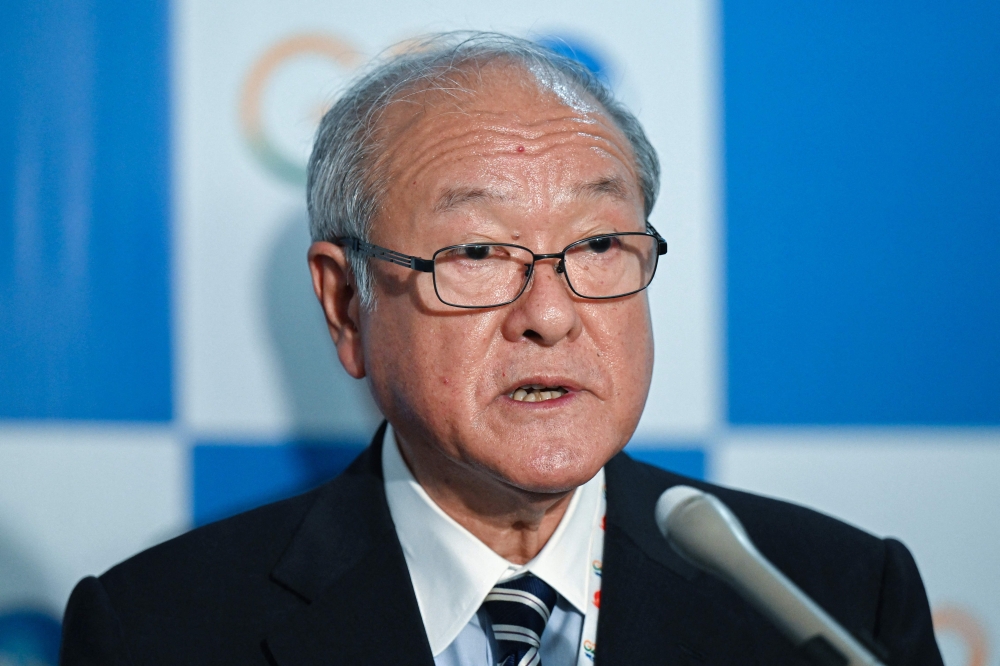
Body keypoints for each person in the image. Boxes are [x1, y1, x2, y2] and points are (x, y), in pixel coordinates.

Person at [60, 32, 943, 665]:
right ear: (344, 304)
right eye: (478, 253)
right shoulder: (157, 629)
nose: (551, 315)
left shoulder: (833, 600)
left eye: (599, 246)